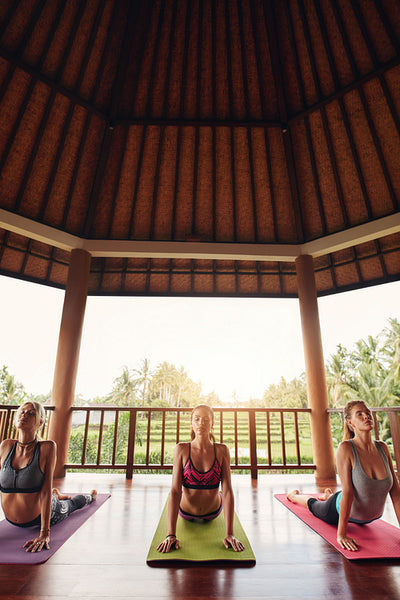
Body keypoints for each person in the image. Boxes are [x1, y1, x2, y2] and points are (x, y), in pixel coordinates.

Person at [287, 400, 400, 551]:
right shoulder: (346, 448)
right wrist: (341, 535)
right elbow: (348, 493)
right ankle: (295, 496)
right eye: (359, 414)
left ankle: (328, 495)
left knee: (336, 496)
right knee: (314, 505)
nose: (366, 416)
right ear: (350, 422)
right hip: (337, 509)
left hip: (368, 517)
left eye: (367, 413)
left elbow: (396, 493)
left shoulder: (382, 448)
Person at [0, 401, 97, 552]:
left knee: (72, 506)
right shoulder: (6, 446)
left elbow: (45, 491)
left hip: (41, 516)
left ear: (40, 422)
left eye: (31, 413)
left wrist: (44, 533)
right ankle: (57, 495)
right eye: (22, 412)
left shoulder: (47, 447)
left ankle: (90, 496)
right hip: (11, 520)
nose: (24, 415)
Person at [157, 404, 244, 553]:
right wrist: (171, 534)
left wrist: (230, 533)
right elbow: (175, 491)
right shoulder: (182, 449)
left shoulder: (222, 450)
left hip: (214, 512)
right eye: (196, 419)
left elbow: (227, 491)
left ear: (212, 423)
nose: (201, 424)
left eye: (205, 420)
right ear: (191, 422)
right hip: (185, 512)